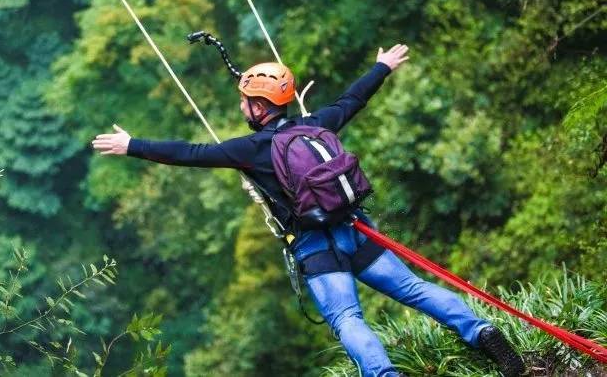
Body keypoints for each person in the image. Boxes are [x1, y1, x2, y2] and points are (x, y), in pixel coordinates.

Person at [92, 44, 525, 377]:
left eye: (245, 102)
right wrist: (382, 67)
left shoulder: (253, 148)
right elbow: (352, 100)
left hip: (317, 247)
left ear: (259, 107)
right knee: (414, 290)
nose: (242, 107)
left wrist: (133, 146)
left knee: (346, 317)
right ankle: (482, 333)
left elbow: (191, 152)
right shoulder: (316, 124)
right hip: (357, 230)